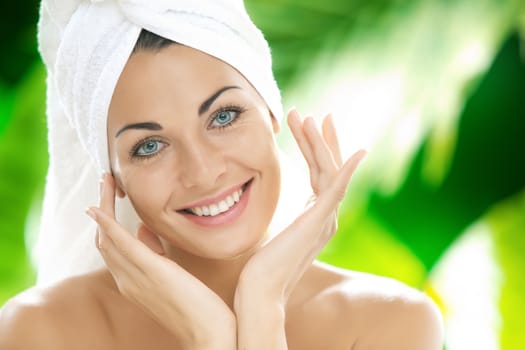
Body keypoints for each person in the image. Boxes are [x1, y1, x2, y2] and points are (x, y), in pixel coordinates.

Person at [0, 1, 443, 349]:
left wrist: (262, 305)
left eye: (224, 116)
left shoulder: (389, 325)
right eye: (149, 146)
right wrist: (207, 337)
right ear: (111, 177)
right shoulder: (41, 333)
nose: (203, 171)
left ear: (270, 111)